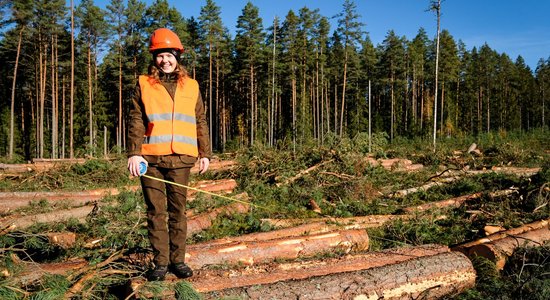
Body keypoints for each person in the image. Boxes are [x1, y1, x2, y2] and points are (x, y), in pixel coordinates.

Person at [127, 28, 211, 281]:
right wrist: (134, 153)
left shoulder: (192, 85)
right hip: (150, 159)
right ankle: (160, 263)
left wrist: (205, 152)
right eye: (160, 55)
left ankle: (178, 261)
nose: (165, 60)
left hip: (182, 159)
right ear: (154, 58)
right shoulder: (144, 84)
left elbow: (200, 120)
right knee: (155, 212)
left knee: (178, 212)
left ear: (177, 56)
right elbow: (135, 119)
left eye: (169, 55)